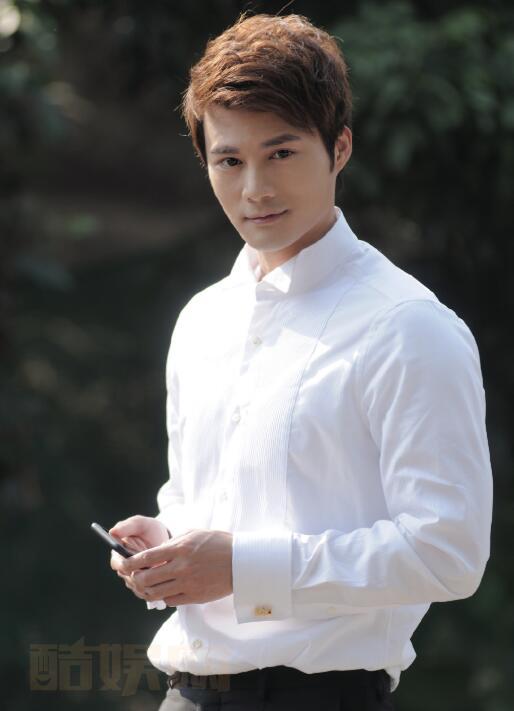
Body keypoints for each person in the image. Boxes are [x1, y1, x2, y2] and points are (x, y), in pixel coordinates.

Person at [109, 12, 493, 711]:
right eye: (229, 160)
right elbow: (204, 501)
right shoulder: (202, 320)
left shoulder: (408, 326)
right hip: (185, 692)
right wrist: (167, 546)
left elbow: (449, 551)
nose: (255, 188)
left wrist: (242, 567)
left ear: (339, 147)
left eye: (281, 153)